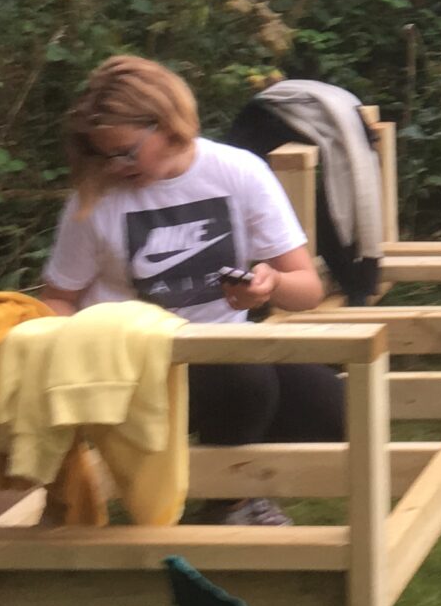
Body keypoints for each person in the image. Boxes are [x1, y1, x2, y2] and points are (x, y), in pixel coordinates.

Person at [37, 56, 338, 525]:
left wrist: (270, 285)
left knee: (329, 407)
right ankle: (230, 503)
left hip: (221, 354)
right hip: (136, 369)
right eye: (105, 154)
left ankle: (230, 486)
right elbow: (57, 297)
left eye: (126, 151)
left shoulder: (238, 171)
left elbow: (307, 290)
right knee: (244, 377)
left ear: (168, 126)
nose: (116, 166)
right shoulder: (96, 198)